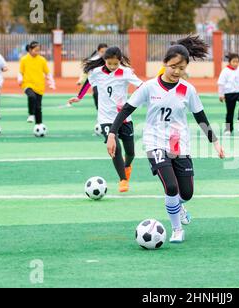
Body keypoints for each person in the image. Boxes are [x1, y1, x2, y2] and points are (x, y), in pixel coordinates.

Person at [107, 37, 225, 243]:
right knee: (171, 187)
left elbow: (200, 117)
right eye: (173, 67)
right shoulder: (149, 87)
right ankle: (177, 229)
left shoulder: (187, 89)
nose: (177, 71)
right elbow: (127, 109)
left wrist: (214, 141)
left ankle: (179, 206)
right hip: (155, 143)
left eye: (182, 68)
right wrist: (112, 133)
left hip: (180, 144)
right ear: (164, 64)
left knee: (186, 193)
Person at [68, 47, 143, 193]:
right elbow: (88, 83)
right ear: (105, 61)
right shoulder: (96, 73)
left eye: (116, 63)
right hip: (106, 118)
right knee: (115, 148)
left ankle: (127, 166)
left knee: (131, 152)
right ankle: (123, 180)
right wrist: (79, 97)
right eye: (110, 63)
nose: (113, 67)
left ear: (120, 61)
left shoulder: (126, 72)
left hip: (124, 117)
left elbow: (141, 85)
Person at [18, 41, 56, 126]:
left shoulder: (42, 60)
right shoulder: (24, 59)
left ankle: (39, 125)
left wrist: (52, 83)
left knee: (38, 107)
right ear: (30, 50)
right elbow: (20, 72)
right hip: (27, 84)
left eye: (39, 50)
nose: (37, 52)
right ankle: (31, 114)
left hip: (39, 86)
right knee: (31, 96)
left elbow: (47, 73)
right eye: (35, 50)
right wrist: (20, 79)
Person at [217, 53, 239, 135]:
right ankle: (228, 129)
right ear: (229, 62)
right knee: (230, 112)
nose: (235, 63)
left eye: (237, 62)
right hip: (229, 94)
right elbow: (221, 83)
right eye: (234, 61)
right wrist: (221, 94)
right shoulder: (225, 71)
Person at [77, 43, 108, 110]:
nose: (104, 53)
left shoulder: (111, 60)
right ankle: (99, 110)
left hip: (108, 84)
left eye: (105, 51)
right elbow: (87, 77)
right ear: (98, 51)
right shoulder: (93, 61)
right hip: (96, 84)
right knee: (96, 93)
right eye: (102, 52)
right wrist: (79, 96)